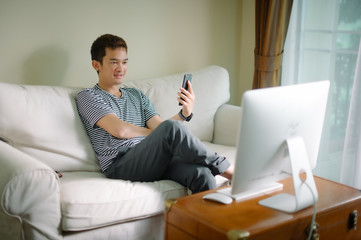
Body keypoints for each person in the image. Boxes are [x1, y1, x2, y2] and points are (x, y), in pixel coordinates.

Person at [76, 33, 233, 193]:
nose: (121, 68)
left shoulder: (136, 95)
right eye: (114, 62)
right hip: (120, 164)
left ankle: (209, 217)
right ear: (96, 65)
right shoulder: (88, 96)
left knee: (202, 175)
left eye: (124, 62)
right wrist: (158, 134)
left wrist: (184, 114)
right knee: (170, 128)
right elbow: (120, 130)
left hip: (153, 158)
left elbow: (161, 127)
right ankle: (228, 170)